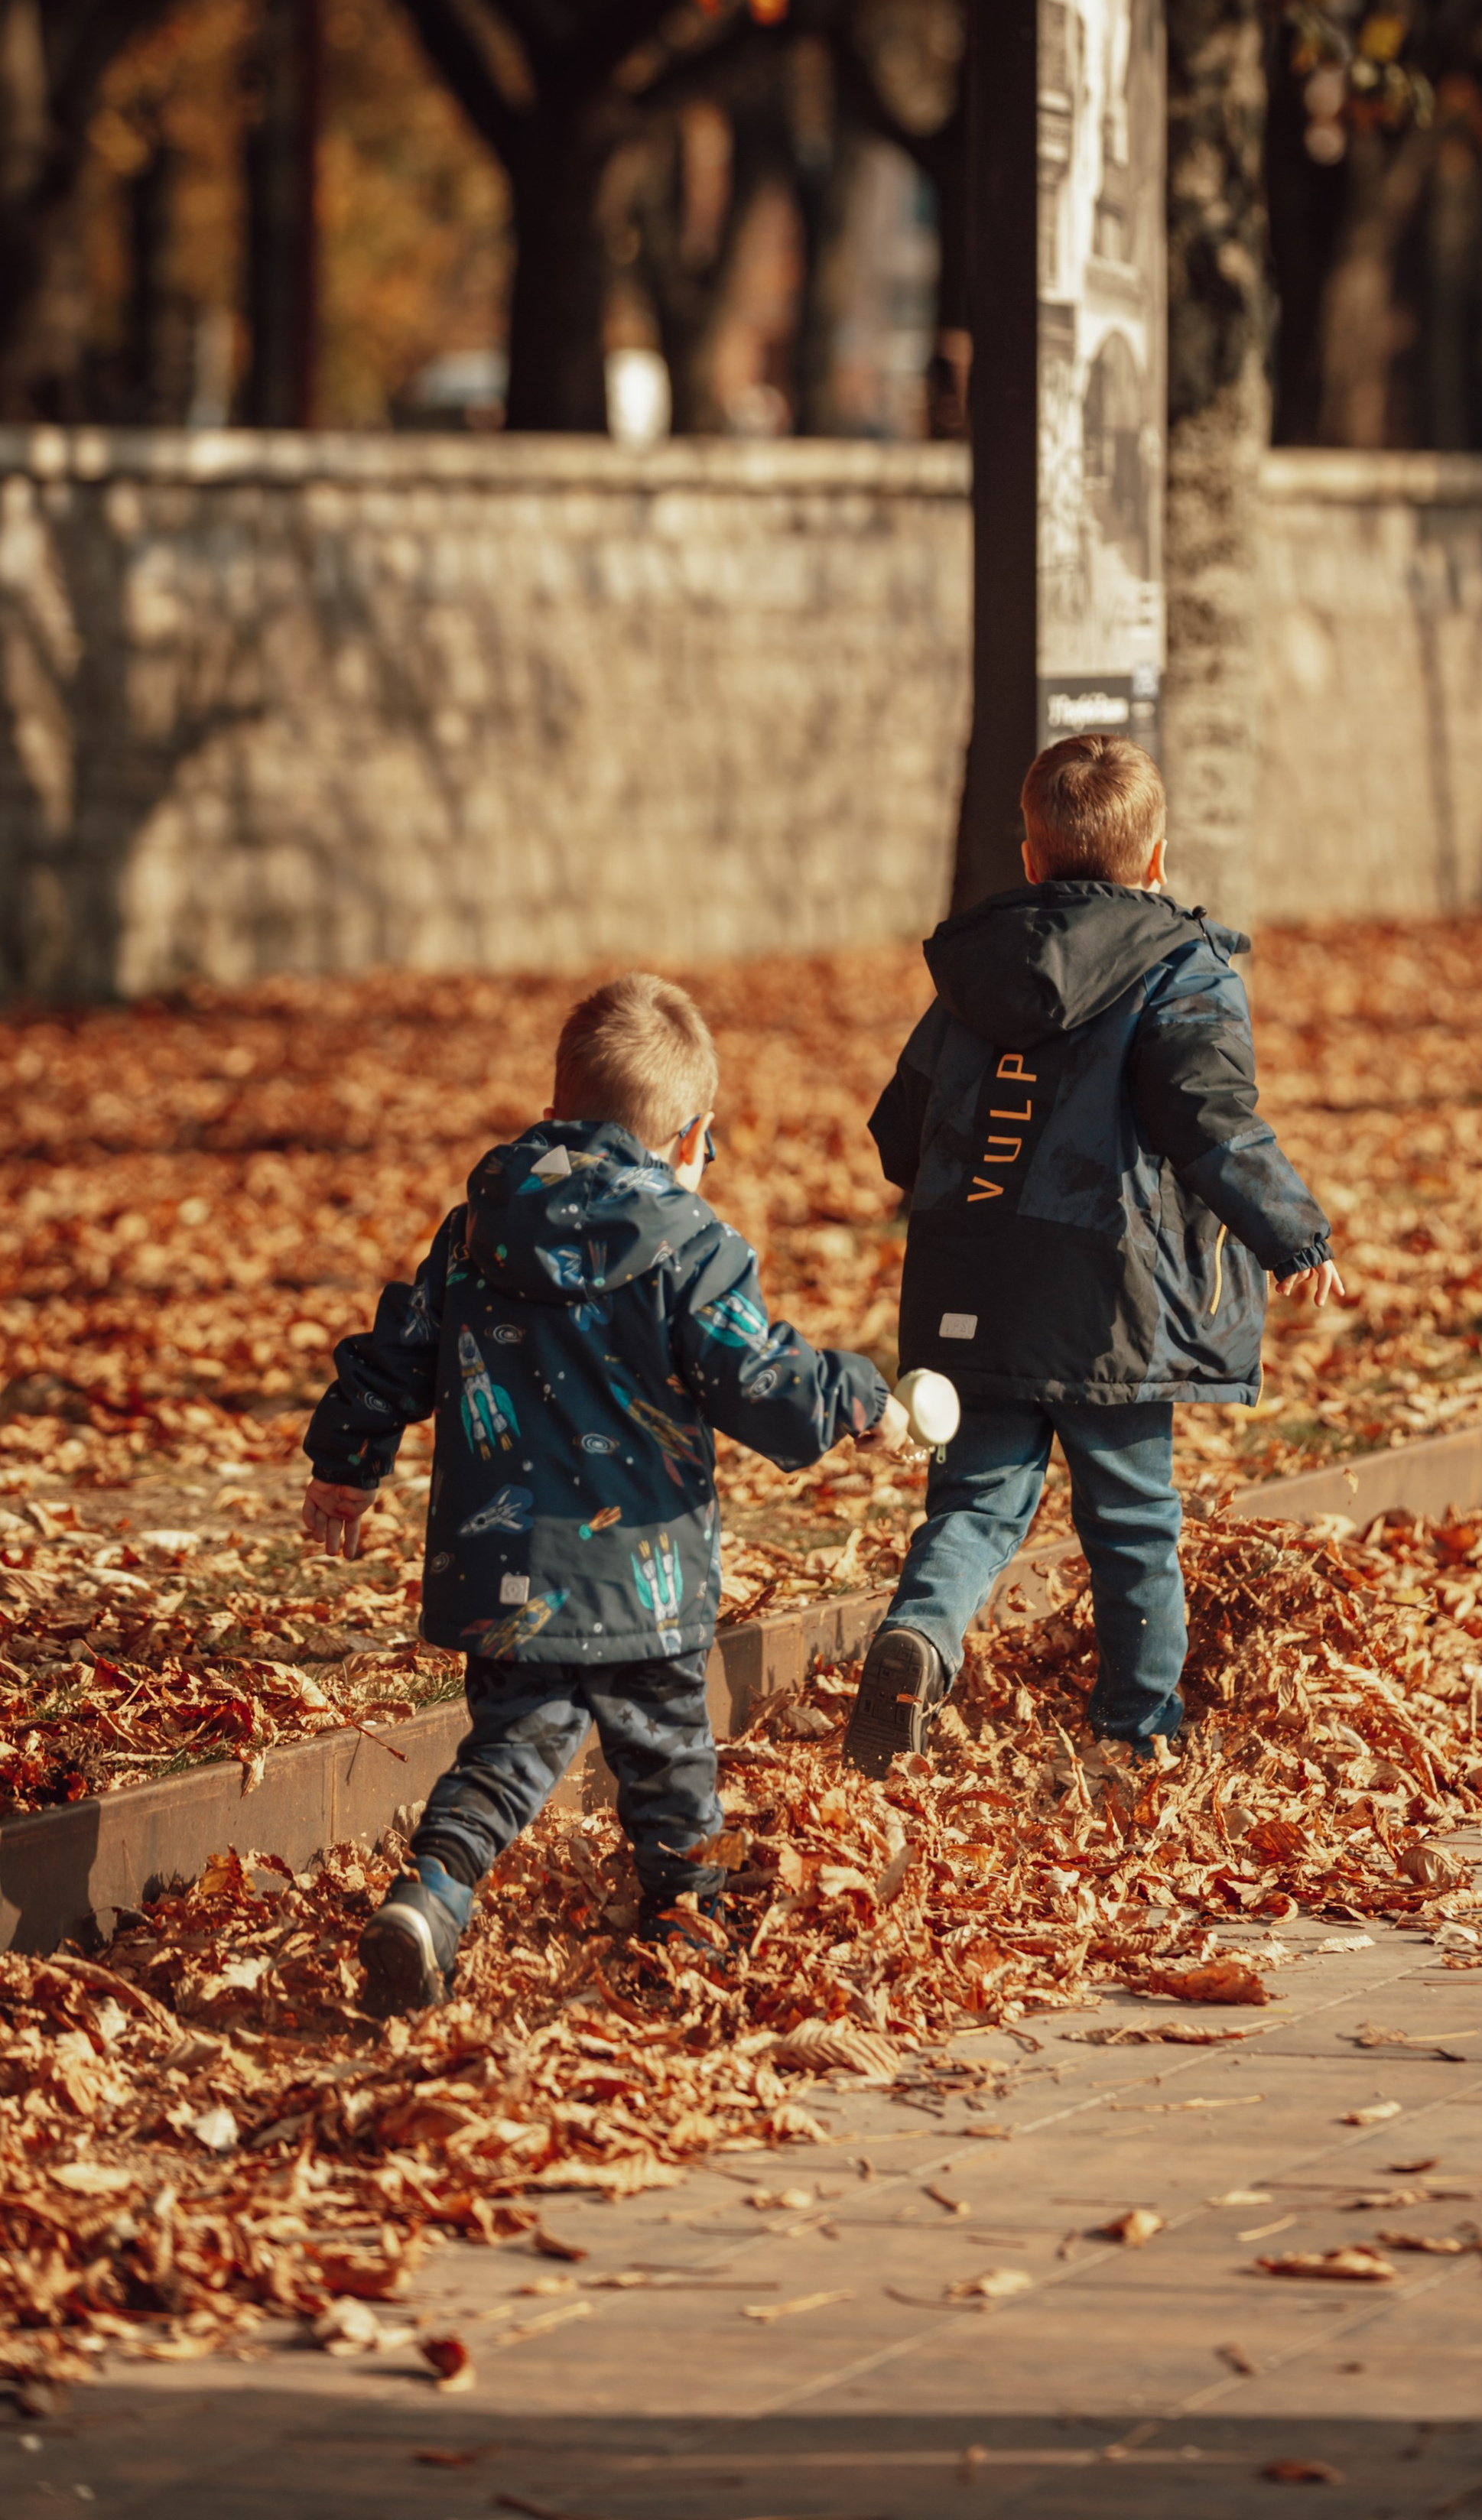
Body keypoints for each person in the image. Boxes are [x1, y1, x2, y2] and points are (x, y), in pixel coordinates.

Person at [301, 971, 904, 2013]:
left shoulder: (479, 1227)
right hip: (645, 1583)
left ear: (552, 1114)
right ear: (690, 1139)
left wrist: (345, 1463)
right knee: (669, 1763)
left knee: (508, 1751)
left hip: (504, 1571)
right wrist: (858, 1400)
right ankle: (688, 1936)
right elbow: (762, 1383)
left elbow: (397, 1347)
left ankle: (431, 1894)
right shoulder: (693, 1248)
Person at [847, 735, 1342, 1778]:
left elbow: (902, 1133)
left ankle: (923, 1639)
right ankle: (1138, 1723)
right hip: (1110, 1291)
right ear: (1157, 859)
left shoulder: (973, 976)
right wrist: (1292, 1233)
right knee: (1129, 1513)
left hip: (972, 1279)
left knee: (976, 1496)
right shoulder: (1178, 968)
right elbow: (1212, 1122)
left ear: (1030, 859)